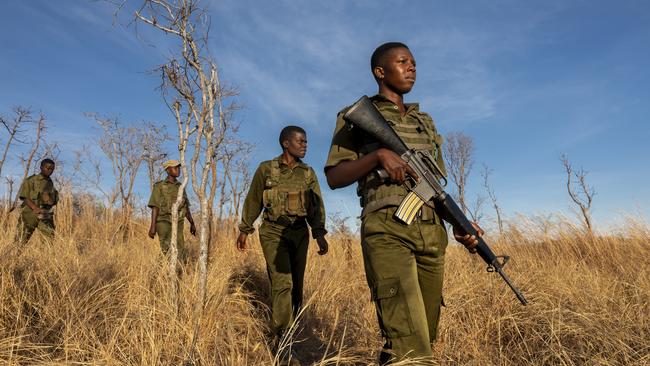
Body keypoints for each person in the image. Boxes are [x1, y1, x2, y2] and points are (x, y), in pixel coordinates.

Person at [324, 42, 482, 364]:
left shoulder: (425, 121)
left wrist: (460, 224)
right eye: (402, 62)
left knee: (418, 340)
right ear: (380, 72)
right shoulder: (356, 116)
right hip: (388, 230)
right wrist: (378, 156)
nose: (412, 67)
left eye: (413, 62)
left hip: (431, 235)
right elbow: (335, 177)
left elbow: (434, 188)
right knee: (414, 350)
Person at [236, 125, 329, 364]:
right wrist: (245, 230)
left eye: (306, 141)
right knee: (282, 282)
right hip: (273, 231)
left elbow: (316, 206)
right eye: (300, 141)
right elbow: (254, 199)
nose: (305, 145)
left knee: (296, 287)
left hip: (299, 233)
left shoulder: (307, 173)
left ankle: (293, 327)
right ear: (286, 143)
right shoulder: (266, 169)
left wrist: (319, 233)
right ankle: (283, 338)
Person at [147, 160, 196, 261]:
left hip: (178, 221)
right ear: (168, 170)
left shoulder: (180, 187)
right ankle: (164, 271)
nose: (178, 170)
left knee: (180, 247)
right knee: (166, 247)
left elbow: (185, 207)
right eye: (175, 168)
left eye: (179, 168)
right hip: (163, 220)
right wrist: (153, 226)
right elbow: (155, 206)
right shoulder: (159, 186)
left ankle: (178, 271)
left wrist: (192, 223)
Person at [16, 158, 59, 245]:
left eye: (52, 169)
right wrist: (35, 208)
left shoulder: (50, 183)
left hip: (45, 215)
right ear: (41, 167)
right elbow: (24, 196)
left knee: (49, 240)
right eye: (48, 168)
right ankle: (13, 258)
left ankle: (46, 258)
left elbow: (54, 200)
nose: (50, 171)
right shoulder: (31, 180)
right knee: (20, 240)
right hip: (29, 214)